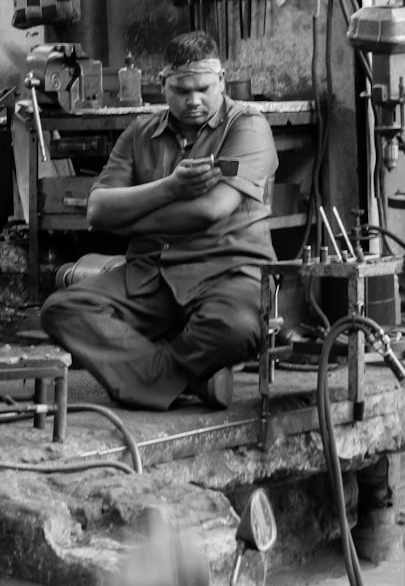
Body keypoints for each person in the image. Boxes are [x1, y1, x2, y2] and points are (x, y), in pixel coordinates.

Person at [40, 31, 278, 411]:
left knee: (238, 328)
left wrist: (132, 220)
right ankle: (198, 373)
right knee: (61, 310)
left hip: (226, 272)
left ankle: (155, 375)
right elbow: (98, 211)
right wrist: (169, 188)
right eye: (181, 90)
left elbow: (210, 209)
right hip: (149, 275)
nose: (194, 100)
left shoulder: (246, 127)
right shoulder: (140, 134)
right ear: (162, 85)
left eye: (203, 88)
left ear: (221, 80)